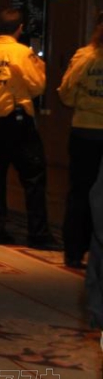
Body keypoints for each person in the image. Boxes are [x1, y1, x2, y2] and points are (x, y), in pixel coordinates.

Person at [0, 8, 56, 248]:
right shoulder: (21, 53)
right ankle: (38, 235)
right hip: (16, 120)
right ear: (20, 28)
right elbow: (37, 86)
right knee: (34, 178)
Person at [57, 15, 103, 268]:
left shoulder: (84, 57)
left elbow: (66, 94)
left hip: (85, 130)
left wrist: (85, 102)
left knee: (80, 192)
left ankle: (74, 251)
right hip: (89, 132)